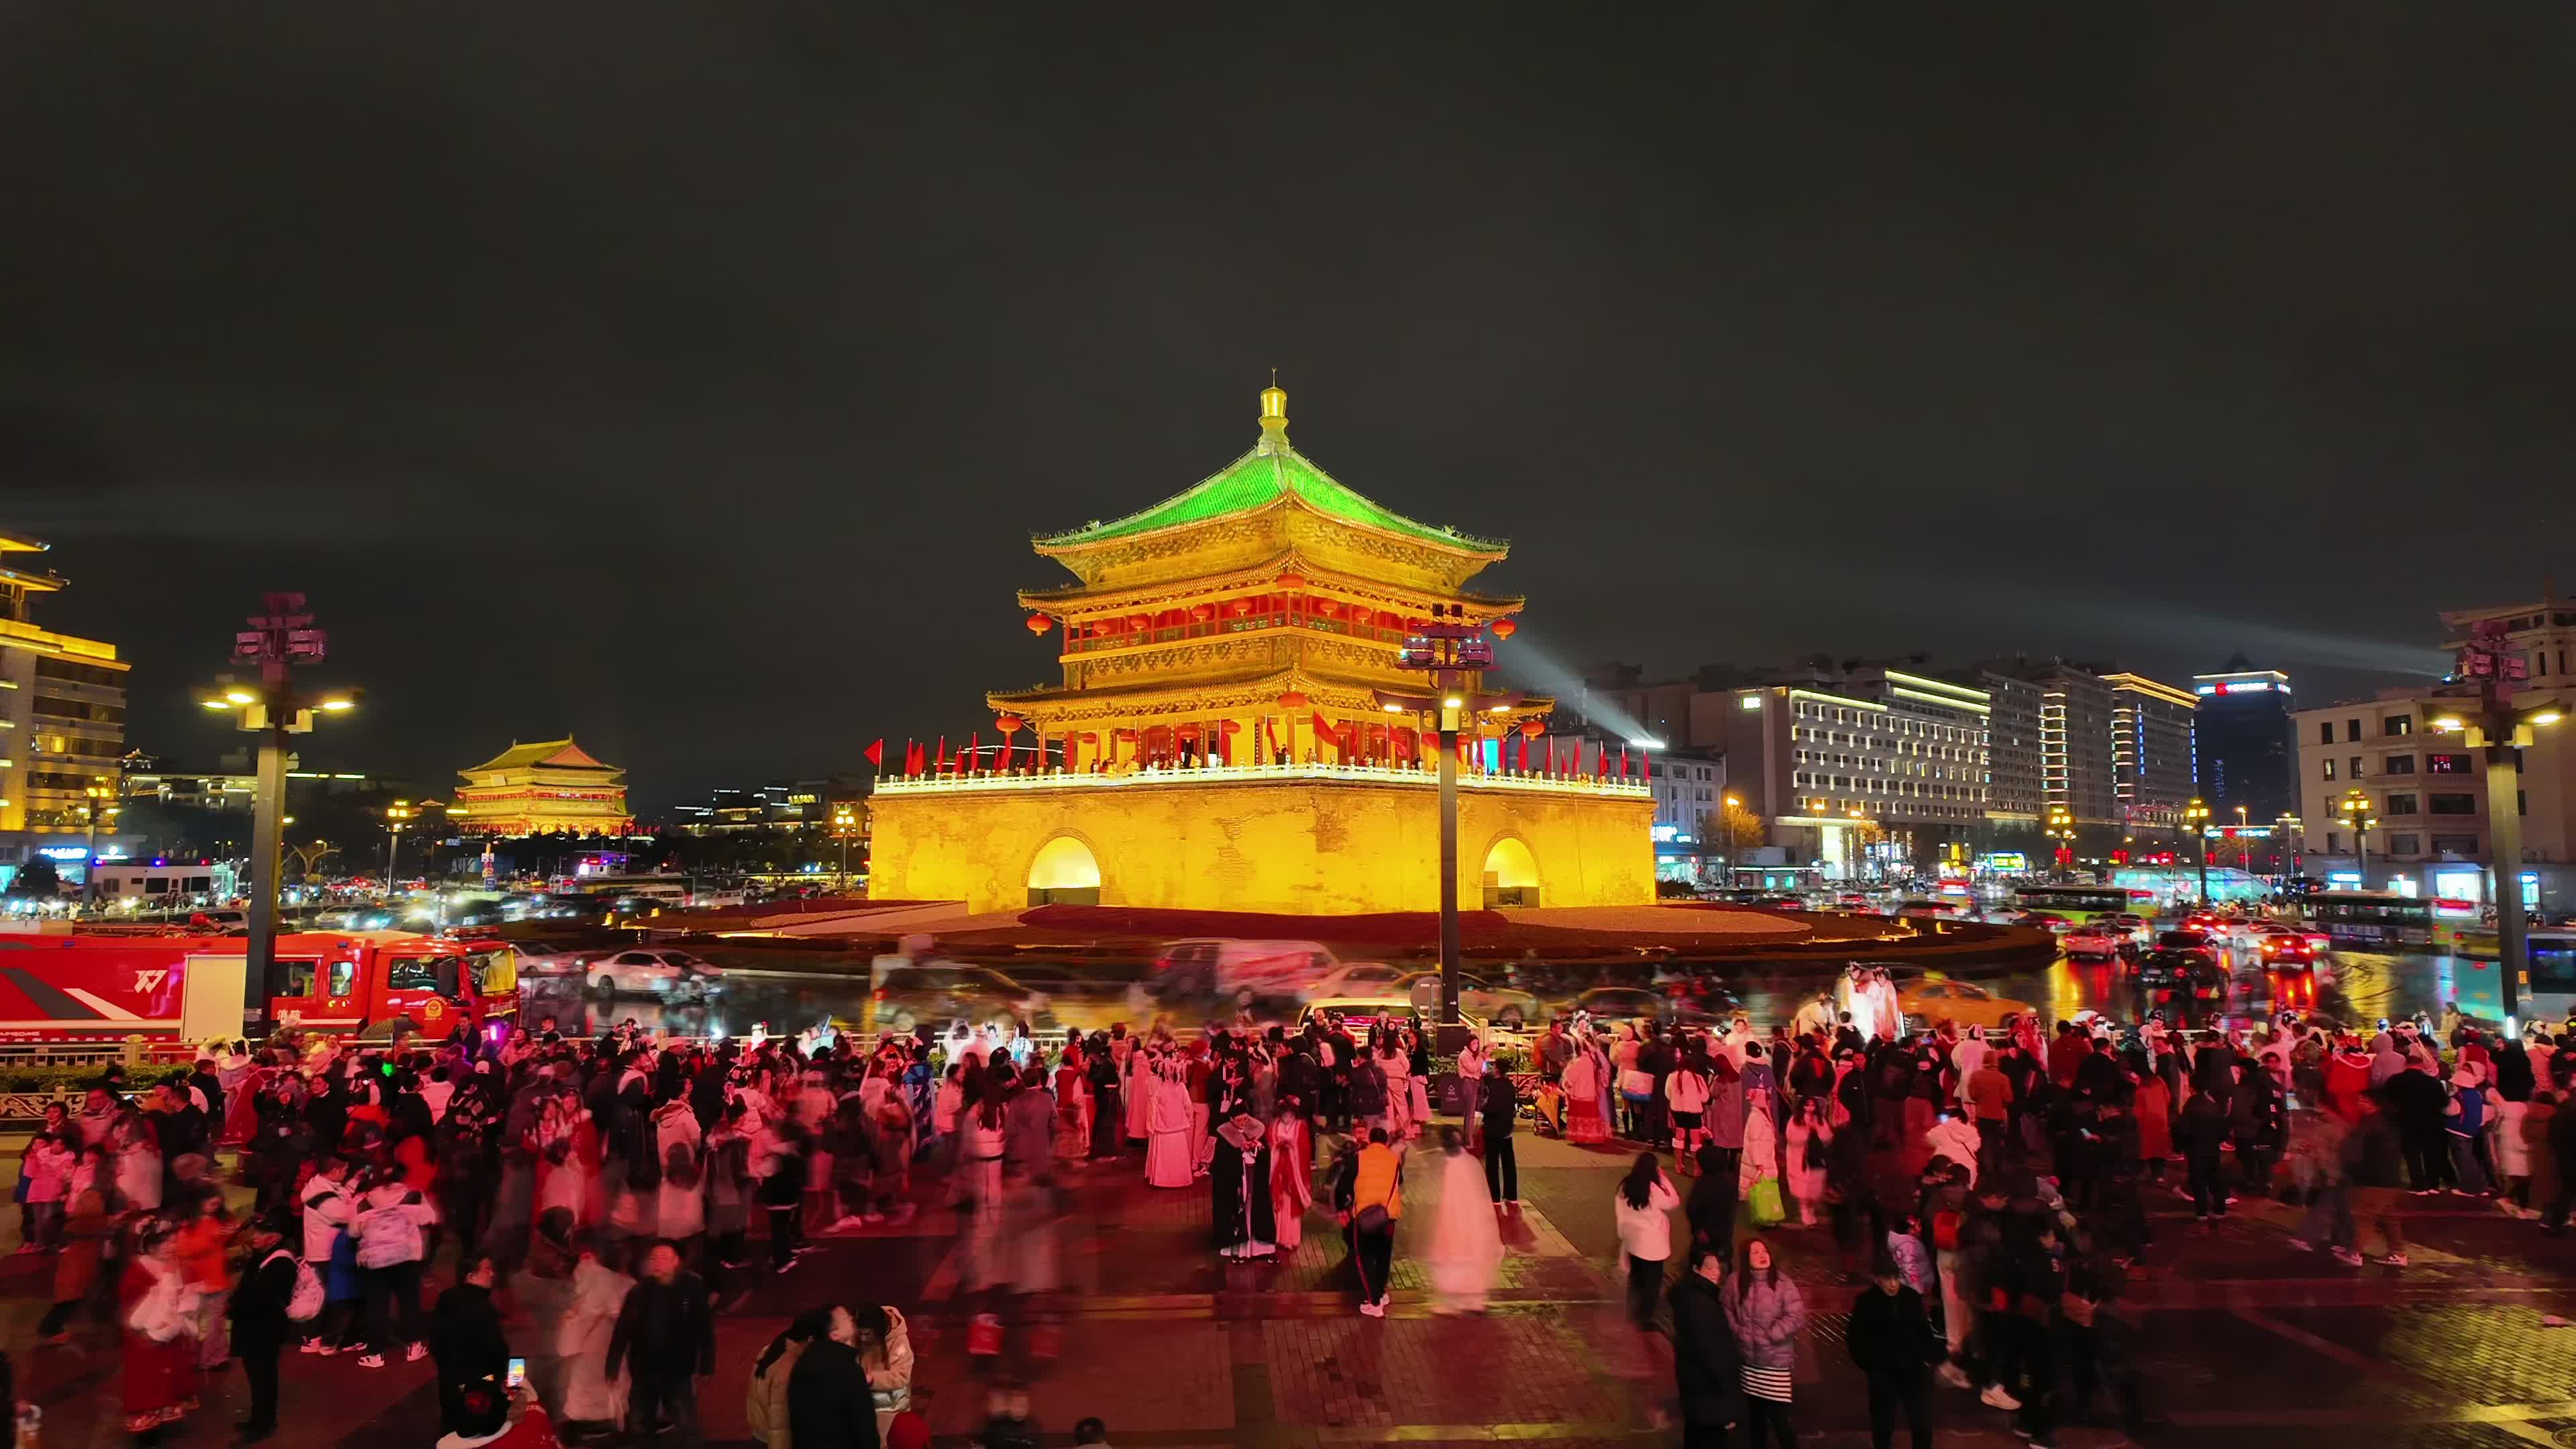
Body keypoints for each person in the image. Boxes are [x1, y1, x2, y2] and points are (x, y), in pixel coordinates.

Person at [608, 1240, 716, 1438]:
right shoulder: (640, 1292)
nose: (657, 1263)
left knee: (686, 1422)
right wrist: (612, 1367)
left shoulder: (691, 1289)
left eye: (664, 1258)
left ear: (677, 1262)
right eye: (654, 1258)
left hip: (677, 1371)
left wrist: (706, 1366)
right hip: (644, 1371)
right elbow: (623, 1331)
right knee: (640, 1425)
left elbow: (705, 1330)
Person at [120, 1220, 202, 1445]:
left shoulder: (179, 1265)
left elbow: (190, 1291)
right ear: (150, 1246)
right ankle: (147, 1430)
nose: (171, 1246)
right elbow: (131, 1305)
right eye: (165, 1243)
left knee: (167, 1377)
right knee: (146, 1380)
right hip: (144, 1338)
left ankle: (162, 1420)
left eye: (173, 1241)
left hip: (171, 1333)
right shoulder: (139, 1269)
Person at [1845, 1256, 1936, 1449]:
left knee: (1921, 1423)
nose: (1893, 1284)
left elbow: (1924, 1332)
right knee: (1883, 1424)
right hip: (1884, 1374)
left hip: (1913, 1371)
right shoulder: (1866, 1303)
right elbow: (1856, 1340)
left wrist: (1928, 1359)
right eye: (1887, 1279)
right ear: (1877, 1279)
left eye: (1895, 1278)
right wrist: (1873, 1367)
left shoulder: (1911, 1298)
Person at [1724, 1237, 1806, 1448]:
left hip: (1775, 1364)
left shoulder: (1782, 1283)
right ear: (1745, 1258)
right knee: (1756, 1420)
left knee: (1781, 1421)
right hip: (1749, 1363)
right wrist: (1738, 1331)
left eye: (1764, 1251)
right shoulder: (1735, 1282)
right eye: (1755, 1252)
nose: (1762, 1256)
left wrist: (1774, 1334)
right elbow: (1726, 1309)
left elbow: (1796, 1316)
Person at [227, 1211, 301, 1444]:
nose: (255, 1236)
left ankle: (263, 1423)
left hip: (264, 1330)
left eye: (261, 1233)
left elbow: (261, 1298)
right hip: (255, 1328)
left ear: (275, 1237)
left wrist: (233, 1308)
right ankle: (258, 1418)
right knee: (257, 1376)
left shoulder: (281, 1262)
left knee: (264, 1377)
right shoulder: (262, 1255)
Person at [1424, 1126, 1504, 1313]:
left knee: (1454, 1259)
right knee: (1471, 1258)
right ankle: (1474, 1300)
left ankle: (1455, 1302)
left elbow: (1449, 1198)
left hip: (1455, 1222)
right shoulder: (1470, 1162)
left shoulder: (1451, 1166)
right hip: (1472, 1222)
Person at [1669, 1243, 1741, 1449]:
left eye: (1718, 1268)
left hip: (1696, 1392)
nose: (1715, 1273)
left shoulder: (1690, 1297)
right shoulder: (1702, 1304)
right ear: (1695, 1269)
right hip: (1709, 1394)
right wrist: (1728, 1389)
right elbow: (1712, 1353)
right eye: (1709, 1267)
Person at [430, 1256, 512, 1436]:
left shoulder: (445, 1299)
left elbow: (436, 1342)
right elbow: (497, 1349)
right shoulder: (482, 1307)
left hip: (449, 1386)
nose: (493, 1274)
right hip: (480, 1394)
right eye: (487, 1270)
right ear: (471, 1276)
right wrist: (511, 1379)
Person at [787, 1303, 881, 1449]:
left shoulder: (802, 1367)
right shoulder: (848, 1370)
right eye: (845, 1317)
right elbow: (865, 1429)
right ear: (834, 1335)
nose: (851, 1317)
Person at [746, 1308, 833, 1449]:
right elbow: (779, 1429)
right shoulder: (788, 1371)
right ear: (811, 1340)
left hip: (759, 1435)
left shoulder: (773, 1348)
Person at [1614, 1152, 1679, 1329]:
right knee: (1652, 1282)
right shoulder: (1653, 1189)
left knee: (1636, 1277)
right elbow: (1674, 1201)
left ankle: (1632, 1311)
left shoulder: (1625, 1186)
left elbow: (1620, 1211)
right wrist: (1664, 1180)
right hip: (1653, 1245)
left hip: (1633, 1241)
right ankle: (1645, 1317)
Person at [1344, 1128, 1403, 1318]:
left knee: (1366, 1258)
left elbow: (1345, 1183)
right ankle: (1382, 1292)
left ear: (1370, 1140)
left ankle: (1375, 1303)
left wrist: (1342, 1206)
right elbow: (1400, 1181)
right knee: (1384, 1257)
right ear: (1386, 1142)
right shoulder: (1394, 1159)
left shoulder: (1359, 1158)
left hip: (1365, 1215)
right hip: (1388, 1216)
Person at [1480, 1070, 1519, 1208]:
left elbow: (1490, 1108)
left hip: (1493, 1131)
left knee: (1492, 1164)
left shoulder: (1494, 1086)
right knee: (1509, 1163)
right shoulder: (1509, 1085)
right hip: (1507, 1130)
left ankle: (1495, 1197)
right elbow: (1514, 1105)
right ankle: (1511, 1195)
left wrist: (1483, 1107)